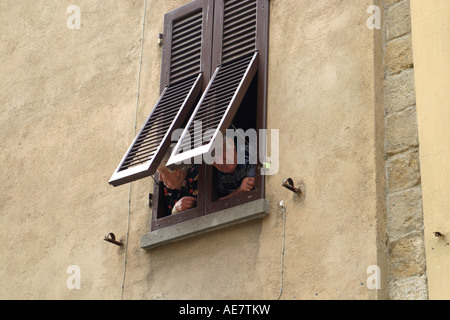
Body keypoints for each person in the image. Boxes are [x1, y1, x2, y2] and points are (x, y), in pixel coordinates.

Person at [212, 136, 256, 200]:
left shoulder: (251, 153)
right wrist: (238, 192)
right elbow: (215, 202)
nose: (219, 160)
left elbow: (255, 187)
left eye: (220, 151)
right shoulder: (214, 174)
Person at [156, 151, 199, 216]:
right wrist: (175, 210)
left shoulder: (196, 174)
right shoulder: (168, 191)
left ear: (176, 170)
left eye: (161, 172)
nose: (160, 179)